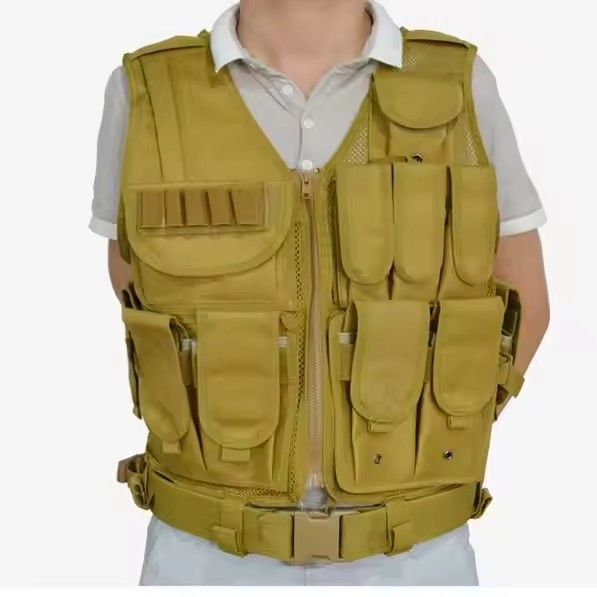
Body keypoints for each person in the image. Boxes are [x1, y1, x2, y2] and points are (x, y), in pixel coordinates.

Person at [89, 0, 550, 586]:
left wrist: (436, 426)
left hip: (411, 555)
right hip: (205, 553)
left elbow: (523, 302)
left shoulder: (457, 81)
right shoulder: (148, 91)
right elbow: (137, 289)